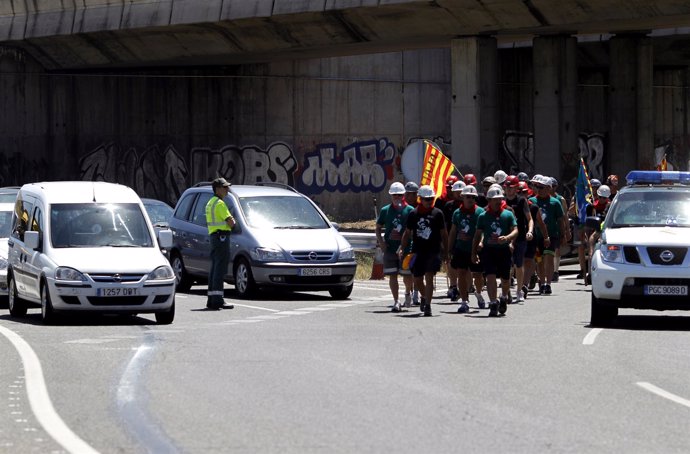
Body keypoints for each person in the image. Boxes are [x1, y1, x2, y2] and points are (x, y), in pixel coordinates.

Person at [398, 185, 448, 317]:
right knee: (417, 278)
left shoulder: (438, 213)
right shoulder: (413, 214)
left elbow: (444, 234)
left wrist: (446, 252)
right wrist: (402, 248)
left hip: (433, 250)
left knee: (429, 277)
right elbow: (407, 233)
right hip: (417, 251)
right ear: (420, 199)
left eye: (431, 199)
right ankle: (424, 296)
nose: (429, 201)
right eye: (426, 199)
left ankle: (428, 306)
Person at [472, 185, 518, 317]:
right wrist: (474, 252)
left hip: (503, 250)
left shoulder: (508, 214)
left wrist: (508, 238)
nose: (498, 201)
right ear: (489, 200)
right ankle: (493, 303)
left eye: (500, 199)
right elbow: (477, 235)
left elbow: (515, 230)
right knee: (490, 276)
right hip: (489, 250)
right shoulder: (483, 216)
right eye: (495, 199)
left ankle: (503, 297)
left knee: (505, 278)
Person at [376, 182, 415, 312]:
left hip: (406, 248)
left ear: (403, 195)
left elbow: (413, 230)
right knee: (393, 275)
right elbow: (378, 227)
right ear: (391, 196)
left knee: (407, 275)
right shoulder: (385, 210)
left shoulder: (410, 210)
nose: (397, 197)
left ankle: (408, 293)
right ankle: (396, 301)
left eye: (399, 195)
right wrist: (381, 242)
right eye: (394, 195)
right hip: (390, 248)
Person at [448, 185, 484, 313]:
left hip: (475, 249)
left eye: (473, 197)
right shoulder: (457, 213)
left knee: (478, 275)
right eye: (468, 197)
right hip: (461, 248)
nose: (470, 200)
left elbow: (483, 231)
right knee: (461, 273)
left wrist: (481, 242)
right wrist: (449, 249)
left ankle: (479, 293)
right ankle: (464, 301)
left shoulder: (480, 212)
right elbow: (453, 232)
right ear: (463, 197)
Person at [529, 175, 566, 295]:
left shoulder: (555, 203)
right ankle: (542, 281)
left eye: (542, 187)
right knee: (539, 260)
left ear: (549, 188)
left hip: (551, 236)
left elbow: (560, 220)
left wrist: (563, 234)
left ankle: (548, 284)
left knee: (549, 258)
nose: (539, 189)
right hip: (536, 236)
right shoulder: (532, 201)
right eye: (537, 187)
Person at [205, 177, 236, 310]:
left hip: (214, 237)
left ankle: (212, 298)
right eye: (225, 187)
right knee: (220, 268)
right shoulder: (220, 204)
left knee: (214, 268)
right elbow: (231, 222)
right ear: (218, 189)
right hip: (222, 237)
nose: (227, 189)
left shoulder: (210, 202)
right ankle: (218, 300)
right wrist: (234, 222)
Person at [504, 175, 533, 303]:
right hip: (505, 237)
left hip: (520, 237)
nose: (509, 190)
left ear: (516, 188)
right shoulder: (501, 201)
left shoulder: (521, 201)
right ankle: (507, 290)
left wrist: (530, 231)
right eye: (507, 187)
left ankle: (519, 290)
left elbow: (530, 219)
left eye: (511, 187)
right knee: (506, 265)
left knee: (518, 264)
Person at [443, 180, 465, 301]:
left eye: (461, 192)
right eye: (456, 192)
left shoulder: (471, 205)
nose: (458, 194)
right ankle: (453, 286)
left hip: (465, 239)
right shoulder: (449, 206)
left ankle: (467, 287)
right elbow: (446, 224)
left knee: (464, 267)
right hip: (452, 238)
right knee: (450, 262)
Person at [549, 177, 570, 283]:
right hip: (546, 227)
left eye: (552, 186)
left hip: (557, 228)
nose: (550, 188)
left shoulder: (560, 199)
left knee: (557, 250)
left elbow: (565, 215)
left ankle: (555, 271)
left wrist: (567, 231)